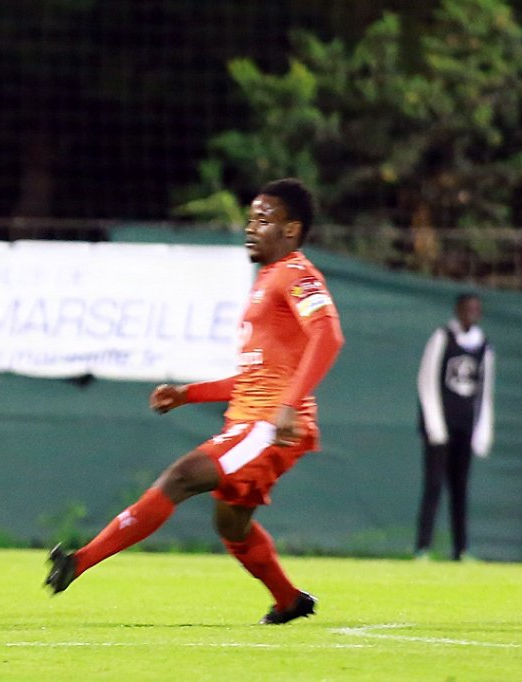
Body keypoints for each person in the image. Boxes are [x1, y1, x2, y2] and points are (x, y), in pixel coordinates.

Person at [45, 178, 344, 625]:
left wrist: (288, 405)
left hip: (268, 425)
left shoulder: (296, 273)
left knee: (181, 478)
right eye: (251, 219)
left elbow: (329, 334)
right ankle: (289, 601)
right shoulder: (267, 281)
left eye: (264, 220)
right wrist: (190, 394)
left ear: (291, 230)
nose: (252, 228)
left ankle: (79, 561)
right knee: (231, 526)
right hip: (252, 421)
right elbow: (252, 377)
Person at [415, 293, 494, 561]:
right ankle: (423, 547)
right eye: (466, 308)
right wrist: (435, 426)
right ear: (458, 310)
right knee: (434, 486)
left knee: (460, 488)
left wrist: (482, 431)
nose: (470, 313)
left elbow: (485, 392)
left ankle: (461, 550)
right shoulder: (442, 337)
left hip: (465, 427)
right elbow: (427, 381)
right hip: (439, 428)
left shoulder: (483, 346)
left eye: (475, 309)